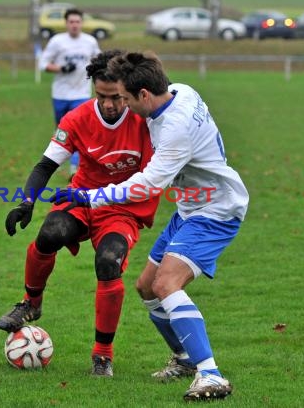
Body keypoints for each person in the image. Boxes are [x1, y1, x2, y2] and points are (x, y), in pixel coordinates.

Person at [50, 51, 249, 401]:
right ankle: (185, 359)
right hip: (191, 206)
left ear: (144, 95)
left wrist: (89, 197)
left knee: (167, 283)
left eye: (125, 98)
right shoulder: (180, 91)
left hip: (216, 210)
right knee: (146, 286)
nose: (121, 105)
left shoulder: (175, 130)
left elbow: (146, 186)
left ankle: (211, 374)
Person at [0, 50, 160, 377]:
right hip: (81, 196)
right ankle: (31, 303)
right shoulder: (76, 119)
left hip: (122, 209)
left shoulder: (146, 119)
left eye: (116, 97)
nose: (110, 104)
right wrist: (26, 202)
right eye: (102, 96)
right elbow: (45, 165)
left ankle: (103, 354)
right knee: (50, 233)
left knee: (108, 262)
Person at [38, 8, 101, 178]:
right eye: (71, 22)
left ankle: (75, 168)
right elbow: (43, 64)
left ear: (82, 23)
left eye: (77, 21)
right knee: (62, 131)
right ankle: (55, 160)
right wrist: (61, 68)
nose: (74, 25)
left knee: (80, 131)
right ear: (66, 23)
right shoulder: (57, 41)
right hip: (60, 93)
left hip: (81, 94)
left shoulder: (90, 41)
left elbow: (100, 61)